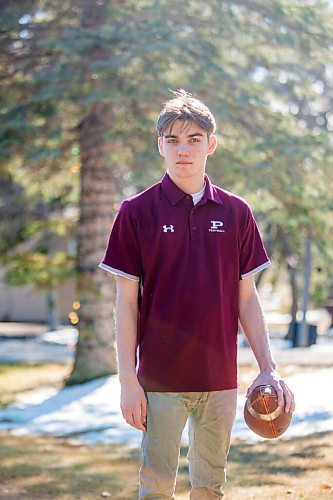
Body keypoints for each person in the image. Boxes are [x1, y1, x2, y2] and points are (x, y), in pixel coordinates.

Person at [99, 89, 295, 499]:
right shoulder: (135, 212)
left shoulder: (236, 211)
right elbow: (126, 303)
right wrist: (127, 381)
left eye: (193, 139)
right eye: (172, 140)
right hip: (159, 379)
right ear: (160, 146)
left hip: (219, 378)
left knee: (210, 488)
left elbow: (247, 297)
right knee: (155, 488)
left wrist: (268, 366)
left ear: (211, 144)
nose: (182, 150)